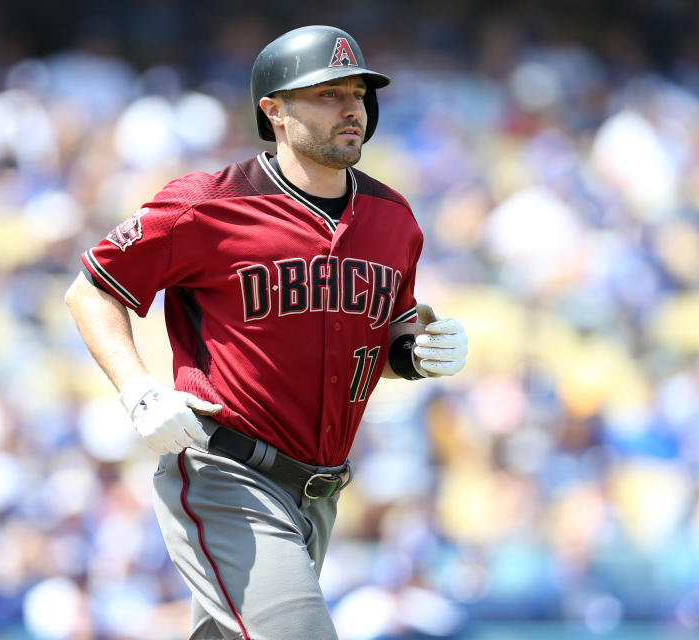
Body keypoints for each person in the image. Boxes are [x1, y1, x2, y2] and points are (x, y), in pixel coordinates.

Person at [65, 24, 468, 640]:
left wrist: (416, 353)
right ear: (273, 110)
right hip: (228, 474)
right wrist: (138, 391)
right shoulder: (208, 205)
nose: (352, 108)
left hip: (321, 489)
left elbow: (381, 339)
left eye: (357, 92)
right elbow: (91, 289)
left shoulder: (394, 219)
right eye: (327, 94)